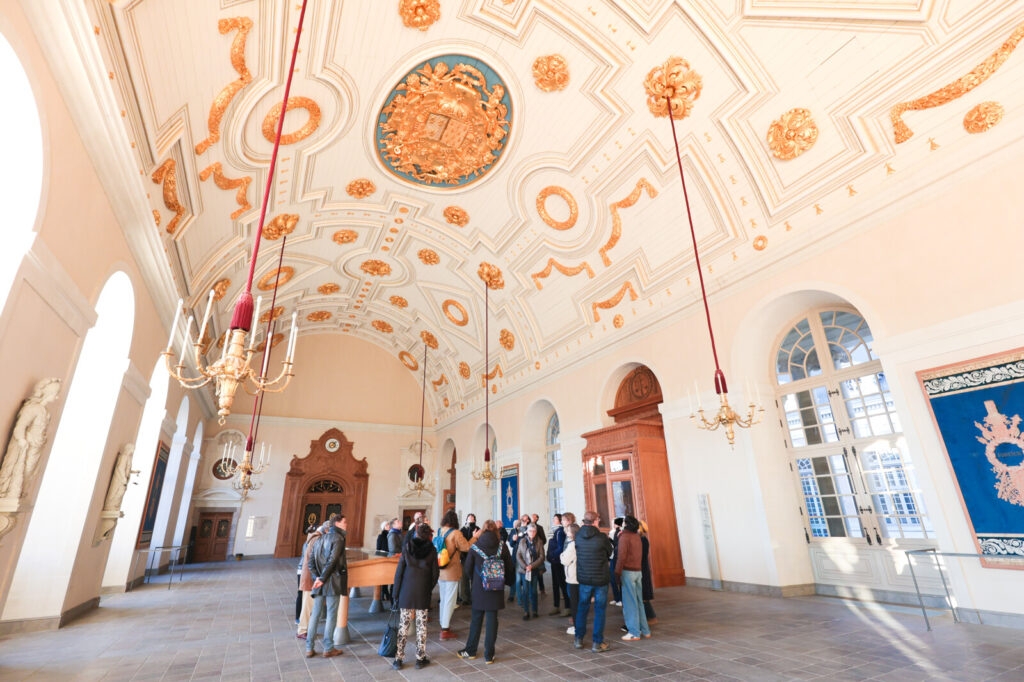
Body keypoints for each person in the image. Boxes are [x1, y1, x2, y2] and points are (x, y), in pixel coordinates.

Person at [457, 520, 515, 664]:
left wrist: (476, 579)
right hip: (496, 588)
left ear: (482, 530)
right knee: (492, 621)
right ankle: (489, 655)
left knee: (476, 620)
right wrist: (507, 581)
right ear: (496, 530)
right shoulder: (502, 546)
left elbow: (467, 569)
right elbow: (509, 566)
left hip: (479, 588)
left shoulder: (475, 546)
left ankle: (470, 651)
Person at [391, 523, 439, 670]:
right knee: (421, 626)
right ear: (428, 535)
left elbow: (399, 572)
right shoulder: (432, 549)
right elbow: (435, 574)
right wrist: (428, 587)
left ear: (416, 533)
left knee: (403, 625)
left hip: (406, 590)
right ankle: (420, 658)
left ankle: (398, 659)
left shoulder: (407, 547)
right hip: (422, 591)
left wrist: (395, 593)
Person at [306, 514, 347, 658]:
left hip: (319, 580)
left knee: (315, 615)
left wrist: (316, 577)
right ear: (337, 524)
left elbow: (311, 562)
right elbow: (333, 560)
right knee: (331, 615)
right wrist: (322, 578)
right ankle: (328, 648)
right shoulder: (339, 538)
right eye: (344, 522)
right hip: (332, 581)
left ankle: (309, 647)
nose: (346, 524)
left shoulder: (319, 539)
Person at [574, 510, 613, 652]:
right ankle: (597, 642)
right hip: (600, 578)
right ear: (596, 521)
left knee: (582, 608)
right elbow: (610, 552)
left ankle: (578, 638)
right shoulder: (602, 537)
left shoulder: (578, 536)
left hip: (584, 577)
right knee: (600, 609)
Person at [438, 510, 478, 640]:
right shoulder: (456, 533)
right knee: (450, 600)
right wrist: (475, 537)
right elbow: (466, 547)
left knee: (443, 599)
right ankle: (445, 629)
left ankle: (443, 624)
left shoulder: (440, 531)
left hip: (441, 569)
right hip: (451, 570)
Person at [616, 516, 650, 641]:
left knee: (630, 603)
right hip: (638, 571)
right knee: (639, 602)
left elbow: (621, 557)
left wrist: (617, 573)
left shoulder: (624, 537)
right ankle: (645, 630)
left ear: (626, 524)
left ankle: (634, 632)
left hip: (628, 572)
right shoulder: (637, 536)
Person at [297, 523, 323, 640]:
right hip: (309, 576)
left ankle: (305, 628)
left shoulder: (312, 538)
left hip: (306, 574)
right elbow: (313, 559)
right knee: (308, 605)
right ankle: (302, 630)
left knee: (307, 603)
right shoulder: (316, 540)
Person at [515, 523, 544, 619]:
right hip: (524, 570)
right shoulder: (522, 541)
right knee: (526, 591)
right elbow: (518, 555)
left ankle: (535, 611)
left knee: (534, 591)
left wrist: (532, 566)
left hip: (534, 570)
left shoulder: (539, 541)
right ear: (527, 531)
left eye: (534, 531)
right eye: (530, 531)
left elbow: (541, 557)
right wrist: (526, 566)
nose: (532, 533)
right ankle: (526, 612)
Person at [547, 513, 569, 616]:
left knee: (562, 583)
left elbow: (560, 547)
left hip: (558, 560)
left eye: (555, 518)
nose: (553, 519)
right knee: (555, 584)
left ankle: (568, 606)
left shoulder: (560, 531)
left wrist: (552, 555)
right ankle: (556, 605)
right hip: (553, 560)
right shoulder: (554, 530)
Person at [561, 523, 579, 636]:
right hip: (580, 576)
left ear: (572, 533)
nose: (566, 533)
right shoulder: (581, 542)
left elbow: (564, 560)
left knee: (574, 604)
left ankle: (577, 627)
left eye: (568, 531)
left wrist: (562, 555)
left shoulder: (572, 545)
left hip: (573, 577)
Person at [458, 513, 479, 605]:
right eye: (469, 518)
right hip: (465, 556)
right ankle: (465, 598)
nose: (470, 520)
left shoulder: (477, 529)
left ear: (474, 520)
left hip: (475, 557)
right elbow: (463, 544)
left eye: (472, 518)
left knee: (475, 578)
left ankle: (475, 596)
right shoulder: (462, 530)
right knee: (464, 578)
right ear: (466, 520)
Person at [639, 520, 656, 624]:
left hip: (642, 569)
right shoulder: (642, 539)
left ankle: (651, 616)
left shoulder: (643, 540)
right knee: (643, 596)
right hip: (642, 568)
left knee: (644, 596)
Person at [375, 521, 392, 604]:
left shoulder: (390, 535)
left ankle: (386, 592)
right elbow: (378, 548)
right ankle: (384, 593)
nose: (388, 526)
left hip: (390, 558)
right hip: (383, 558)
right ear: (383, 527)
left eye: (388, 524)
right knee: (383, 577)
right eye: (387, 525)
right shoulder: (381, 536)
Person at [608, 517, 624, 606]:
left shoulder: (619, 532)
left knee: (618, 579)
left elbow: (616, 545)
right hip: (613, 557)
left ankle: (620, 599)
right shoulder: (613, 532)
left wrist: (609, 540)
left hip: (616, 558)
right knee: (613, 579)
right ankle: (616, 598)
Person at [531, 513, 547, 595]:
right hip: (529, 552)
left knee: (539, 571)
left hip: (537, 551)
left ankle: (542, 588)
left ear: (537, 518)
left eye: (534, 517)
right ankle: (531, 590)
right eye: (531, 516)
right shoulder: (528, 526)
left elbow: (544, 539)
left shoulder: (540, 528)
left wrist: (538, 546)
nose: (532, 518)